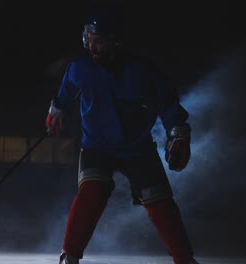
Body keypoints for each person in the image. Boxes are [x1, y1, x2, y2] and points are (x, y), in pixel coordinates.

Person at [45, 7, 199, 264]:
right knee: (90, 195)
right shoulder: (79, 68)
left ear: (115, 41)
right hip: (96, 146)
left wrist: (178, 132)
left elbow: (168, 104)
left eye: (100, 40)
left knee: (160, 204)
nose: (93, 47)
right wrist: (57, 112)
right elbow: (65, 93)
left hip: (137, 147)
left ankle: (184, 259)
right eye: (90, 39)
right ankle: (69, 256)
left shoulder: (142, 71)